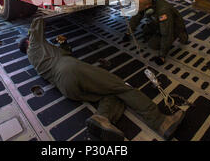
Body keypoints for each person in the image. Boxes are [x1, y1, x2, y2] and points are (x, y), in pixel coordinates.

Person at [19, 17, 185, 141]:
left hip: (67, 89)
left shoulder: (37, 62)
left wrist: (63, 45)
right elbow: (37, 23)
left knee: (110, 94)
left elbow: (66, 54)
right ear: (28, 42)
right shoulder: (33, 46)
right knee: (121, 87)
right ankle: (160, 121)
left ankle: (102, 118)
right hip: (72, 69)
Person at [123, 0, 188, 64]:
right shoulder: (145, 3)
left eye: (136, 5)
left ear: (147, 6)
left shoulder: (163, 11)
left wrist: (162, 56)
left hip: (173, 25)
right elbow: (136, 17)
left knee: (153, 45)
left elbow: (167, 34)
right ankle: (156, 32)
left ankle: (181, 33)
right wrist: (128, 32)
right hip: (157, 21)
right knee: (145, 31)